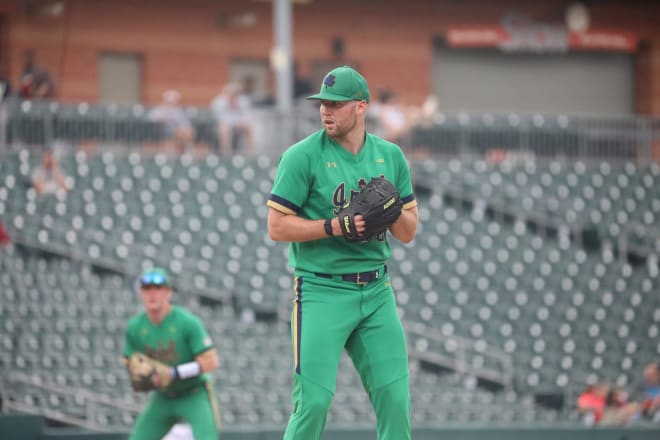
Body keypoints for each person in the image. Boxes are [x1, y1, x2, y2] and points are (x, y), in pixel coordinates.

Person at [267, 65, 419, 439]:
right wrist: (333, 226)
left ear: (361, 107)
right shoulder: (302, 156)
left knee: (396, 402)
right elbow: (276, 226)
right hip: (322, 291)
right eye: (322, 103)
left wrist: (392, 209)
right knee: (313, 404)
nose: (326, 111)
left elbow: (409, 232)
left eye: (336, 104)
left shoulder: (390, 156)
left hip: (376, 291)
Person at [123, 267, 221, 440]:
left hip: (193, 392)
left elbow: (211, 362)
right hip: (164, 395)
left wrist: (174, 373)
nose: (152, 294)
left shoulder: (186, 322)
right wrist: (141, 375)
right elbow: (128, 359)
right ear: (140, 293)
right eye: (147, 289)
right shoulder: (135, 327)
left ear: (168, 292)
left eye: (158, 289)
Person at [210, 82, 255, 156]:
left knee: (249, 128)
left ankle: (250, 154)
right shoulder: (219, 101)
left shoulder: (243, 101)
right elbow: (218, 117)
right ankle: (226, 154)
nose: (233, 96)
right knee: (224, 129)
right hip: (224, 124)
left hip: (239, 123)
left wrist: (241, 120)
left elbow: (247, 116)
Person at [149, 89, 195, 154]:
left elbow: (185, 123)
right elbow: (151, 118)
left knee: (186, 132)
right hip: (162, 131)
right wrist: (163, 119)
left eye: (174, 102)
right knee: (182, 133)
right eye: (169, 102)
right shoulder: (159, 110)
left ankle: (185, 150)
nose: (171, 104)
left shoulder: (179, 111)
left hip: (177, 131)